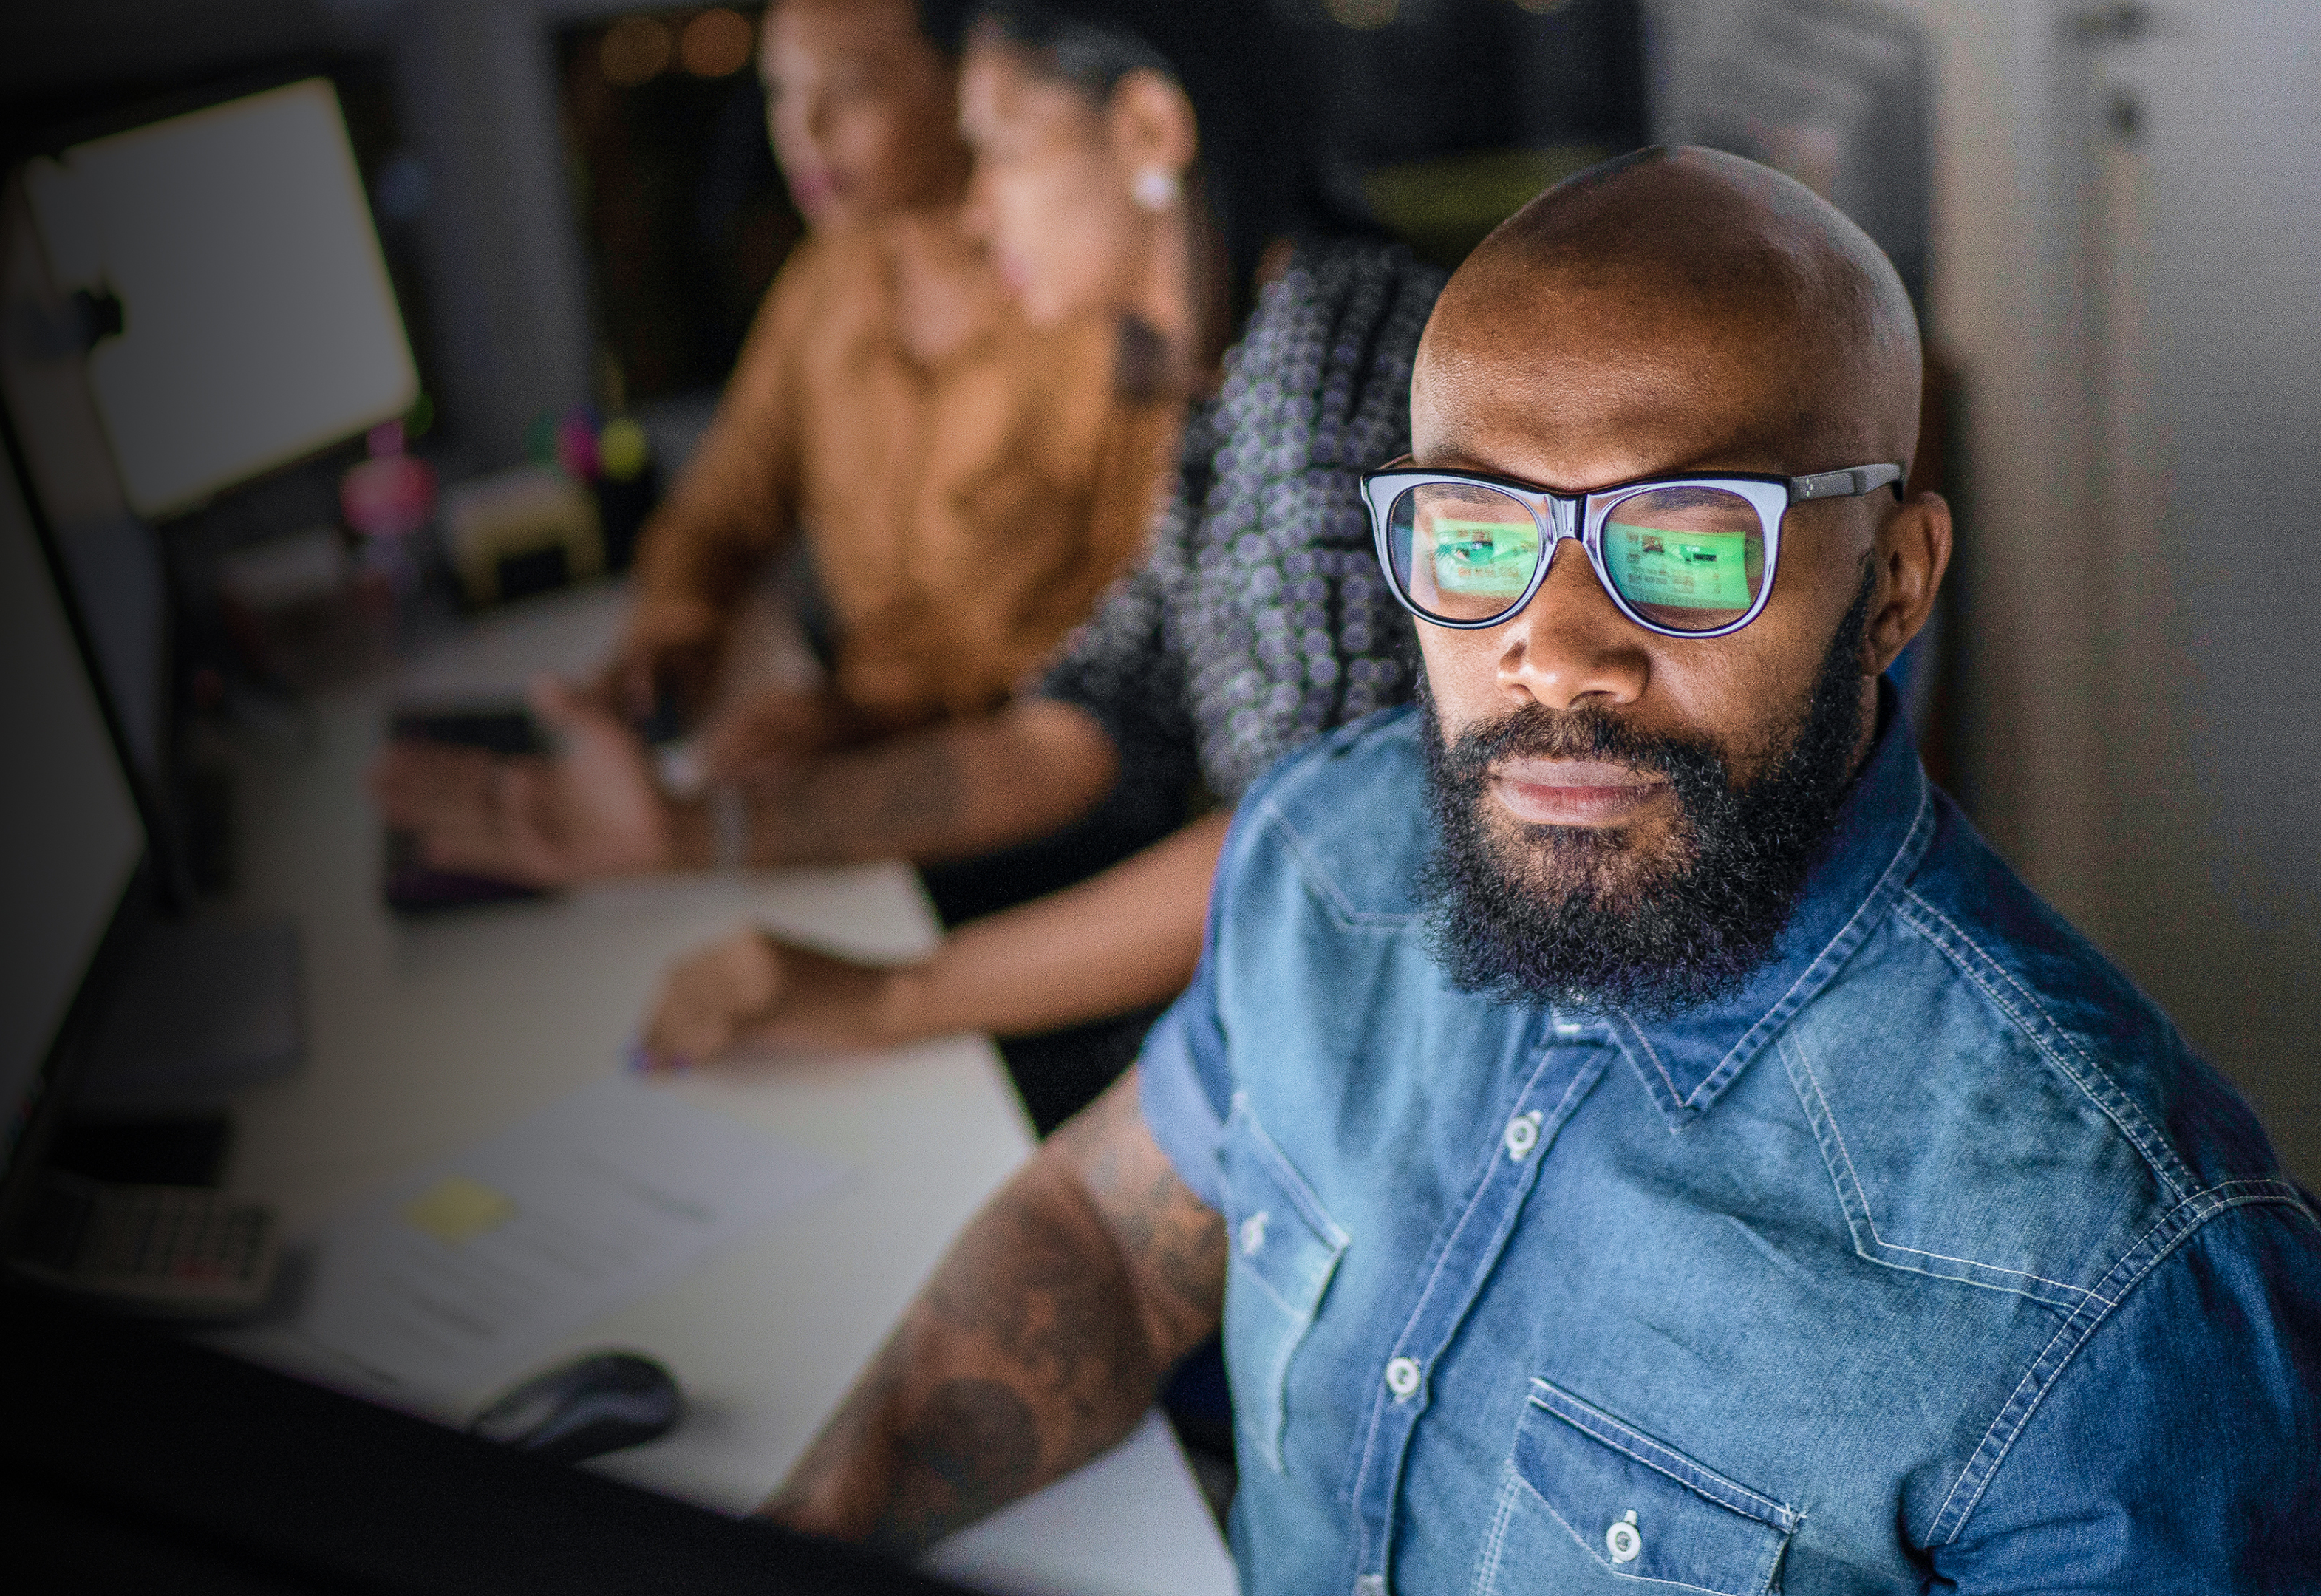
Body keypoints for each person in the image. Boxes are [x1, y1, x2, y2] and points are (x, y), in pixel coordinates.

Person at [755, 146, 2321, 1591]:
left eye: (1695, 545)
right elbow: (1103, 1240)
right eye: (1477, 532)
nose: (1553, 651)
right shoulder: (1322, 857)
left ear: (1896, 584)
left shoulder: (2125, 1278)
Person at [403, 0, 1446, 1127]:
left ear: (1148, 131)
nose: (977, 202)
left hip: (1383, 1066)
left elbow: (1303, 855)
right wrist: (693, 831)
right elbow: (1093, 720)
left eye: (999, 148)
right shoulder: (1231, 365)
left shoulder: (1324, 372)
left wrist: (884, 997)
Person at [373, 0, 1175, 828]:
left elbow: (1119, 659)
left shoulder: (1088, 309)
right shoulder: (828, 280)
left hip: (1017, 793)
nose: (804, 131)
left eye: (853, 92)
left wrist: (868, 716)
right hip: (846, 747)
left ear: (966, 84)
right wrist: (678, 632)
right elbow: (723, 503)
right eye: (782, 92)